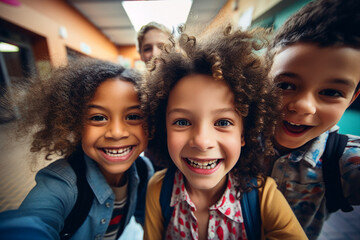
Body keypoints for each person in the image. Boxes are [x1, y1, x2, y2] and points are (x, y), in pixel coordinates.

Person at [142, 25, 308, 239]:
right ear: (164, 128)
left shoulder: (263, 197)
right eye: (182, 121)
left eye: (223, 122)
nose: (202, 142)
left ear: (243, 134)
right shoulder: (158, 190)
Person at [0, 58, 153, 239]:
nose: (117, 133)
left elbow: (147, 217)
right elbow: (33, 220)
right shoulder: (62, 185)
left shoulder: (143, 171)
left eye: (133, 116)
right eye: (98, 117)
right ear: (74, 123)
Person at [266, 0, 360, 239]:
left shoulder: (344, 160)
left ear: (351, 99)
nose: (303, 106)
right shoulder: (229, 133)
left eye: (331, 92)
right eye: (285, 85)